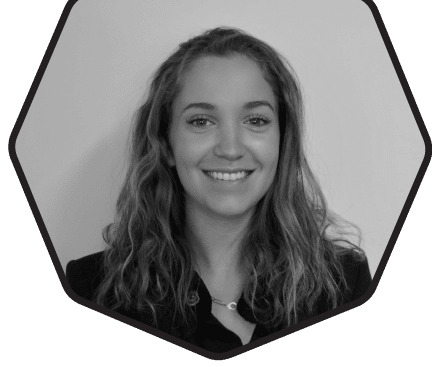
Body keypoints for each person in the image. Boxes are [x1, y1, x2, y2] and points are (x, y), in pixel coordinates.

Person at [66, 27, 371, 353]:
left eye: (256, 120)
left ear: (283, 141)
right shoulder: (88, 291)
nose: (230, 149)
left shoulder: (344, 286)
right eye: (201, 121)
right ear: (166, 144)